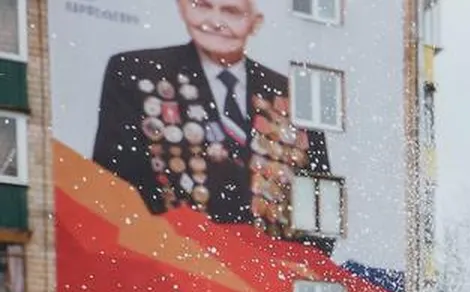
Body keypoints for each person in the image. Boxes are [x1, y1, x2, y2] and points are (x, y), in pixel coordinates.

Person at [90, 0, 335, 253]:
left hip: (270, 276)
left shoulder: (294, 96)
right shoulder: (139, 73)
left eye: (231, 11)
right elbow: (113, 186)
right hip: (171, 263)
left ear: (255, 22)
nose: (215, 21)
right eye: (202, 5)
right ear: (182, 7)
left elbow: (320, 209)